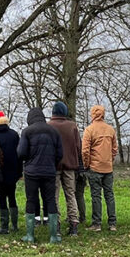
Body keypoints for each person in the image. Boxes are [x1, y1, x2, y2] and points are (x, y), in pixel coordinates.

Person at [17, 106, 63, 243]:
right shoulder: (54, 132)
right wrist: (51, 163)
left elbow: (21, 153)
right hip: (49, 172)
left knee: (31, 200)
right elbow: (60, 154)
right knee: (50, 200)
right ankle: (54, 236)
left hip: (31, 172)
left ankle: (30, 236)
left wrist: (29, 161)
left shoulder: (27, 131)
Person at [48, 101, 83, 236]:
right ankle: (74, 225)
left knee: (54, 196)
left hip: (54, 165)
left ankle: (56, 226)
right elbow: (78, 146)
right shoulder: (73, 126)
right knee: (71, 194)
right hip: (70, 165)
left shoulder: (49, 126)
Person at [81, 104, 118, 231]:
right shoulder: (110, 129)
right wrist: (109, 160)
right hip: (108, 168)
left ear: (92, 114)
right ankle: (112, 223)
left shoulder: (89, 130)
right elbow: (114, 149)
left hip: (94, 167)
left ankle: (97, 223)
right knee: (109, 195)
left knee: (96, 196)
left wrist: (86, 165)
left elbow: (85, 151)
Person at [0, 110, 21, 234]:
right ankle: (15, 225)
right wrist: (19, 171)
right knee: (12, 197)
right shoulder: (14, 134)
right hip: (13, 171)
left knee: (2, 198)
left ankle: (4, 226)